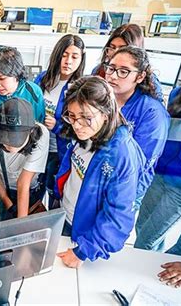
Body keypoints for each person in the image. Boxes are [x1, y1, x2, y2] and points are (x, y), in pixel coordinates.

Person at [55, 76, 146, 268]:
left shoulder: (121, 154)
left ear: (106, 113)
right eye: (71, 116)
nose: (77, 124)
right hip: (66, 216)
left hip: (87, 236)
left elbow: (118, 217)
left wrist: (83, 252)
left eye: (86, 118)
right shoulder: (84, 133)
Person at [105, 46, 169, 201]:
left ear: (140, 76)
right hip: (95, 181)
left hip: (122, 192)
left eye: (123, 71)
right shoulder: (102, 99)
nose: (113, 76)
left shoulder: (153, 113)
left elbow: (138, 165)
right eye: (111, 68)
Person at [34, 34, 86, 209]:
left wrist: (57, 126)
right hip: (37, 145)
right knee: (34, 192)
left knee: (53, 193)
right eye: (64, 55)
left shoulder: (80, 88)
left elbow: (83, 128)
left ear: (81, 59)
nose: (68, 61)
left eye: (74, 56)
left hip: (59, 152)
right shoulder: (42, 79)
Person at [134, 85, 181, 251]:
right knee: (142, 228)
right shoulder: (178, 93)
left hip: (180, 189)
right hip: (159, 174)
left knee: (146, 241)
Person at [0, 98, 49, 219]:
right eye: (4, 136)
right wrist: (8, 204)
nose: (8, 144)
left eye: (14, 138)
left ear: (31, 131)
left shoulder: (41, 134)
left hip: (31, 187)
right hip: (3, 187)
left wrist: (21, 224)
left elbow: (24, 182)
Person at [0, 46, 45, 139]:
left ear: (16, 74)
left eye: (2, 78)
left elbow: (38, 126)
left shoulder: (34, 92)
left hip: (28, 147)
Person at [92, 23, 162, 97]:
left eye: (122, 49)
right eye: (112, 47)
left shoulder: (151, 83)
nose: (115, 53)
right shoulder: (98, 71)